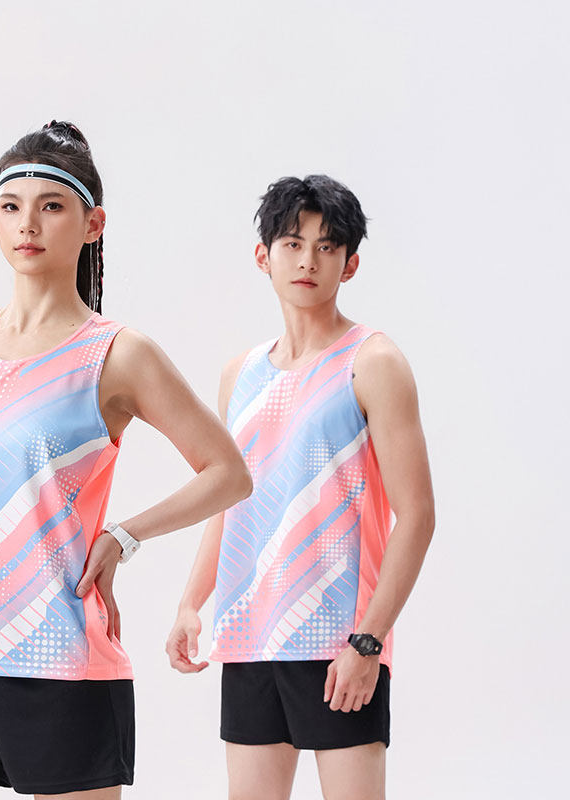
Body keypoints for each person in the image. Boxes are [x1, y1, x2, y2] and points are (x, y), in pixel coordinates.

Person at [0, 119, 253, 799]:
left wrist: (123, 536)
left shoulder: (117, 354)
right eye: (10, 207)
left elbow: (229, 473)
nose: (27, 224)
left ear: (93, 224)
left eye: (52, 206)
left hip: (61, 666)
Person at [166, 175, 435, 800]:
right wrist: (190, 602)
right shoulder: (240, 373)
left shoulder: (373, 362)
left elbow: (418, 515)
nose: (308, 261)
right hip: (249, 636)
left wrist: (368, 642)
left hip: (339, 640)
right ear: (264, 256)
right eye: (293, 243)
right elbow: (229, 498)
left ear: (350, 263)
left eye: (327, 246)